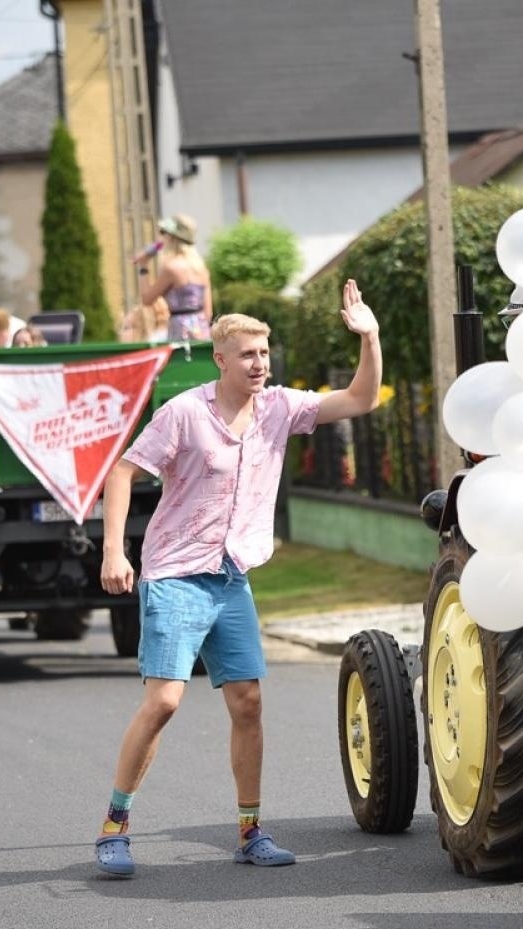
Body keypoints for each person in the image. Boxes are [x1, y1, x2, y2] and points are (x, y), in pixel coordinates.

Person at [92, 280, 381, 878]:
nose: (259, 364)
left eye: (265, 354)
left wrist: (369, 336)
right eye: (247, 354)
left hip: (232, 575)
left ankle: (250, 831)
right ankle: (115, 826)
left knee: (248, 703)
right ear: (220, 359)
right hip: (174, 571)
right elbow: (121, 473)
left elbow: (360, 400)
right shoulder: (184, 414)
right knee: (165, 701)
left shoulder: (279, 409)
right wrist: (114, 552)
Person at [136, 215, 211, 341]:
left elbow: (147, 299)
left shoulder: (172, 268)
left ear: (172, 238)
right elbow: (208, 312)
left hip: (180, 331)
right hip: (202, 331)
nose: (161, 237)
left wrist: (143, 266)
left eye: (163, 233)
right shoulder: (201, 268)